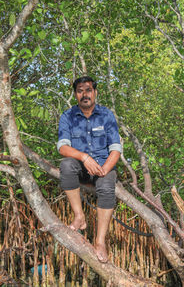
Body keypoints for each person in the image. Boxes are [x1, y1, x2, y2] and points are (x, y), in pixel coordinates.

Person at [57, 76, 122, 263]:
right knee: (66, 165)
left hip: (104, 166)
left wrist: (104, 169)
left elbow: (116, 148)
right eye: (80, 90)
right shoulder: (67, 116)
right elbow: (63, 147)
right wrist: (84, 157)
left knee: (107, 188)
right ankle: (79, 217)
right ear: (75, 94)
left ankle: (100, 242)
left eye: (88, 90)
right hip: (81, 168)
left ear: (95, 92)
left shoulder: (106, 115)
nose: (84, 94)